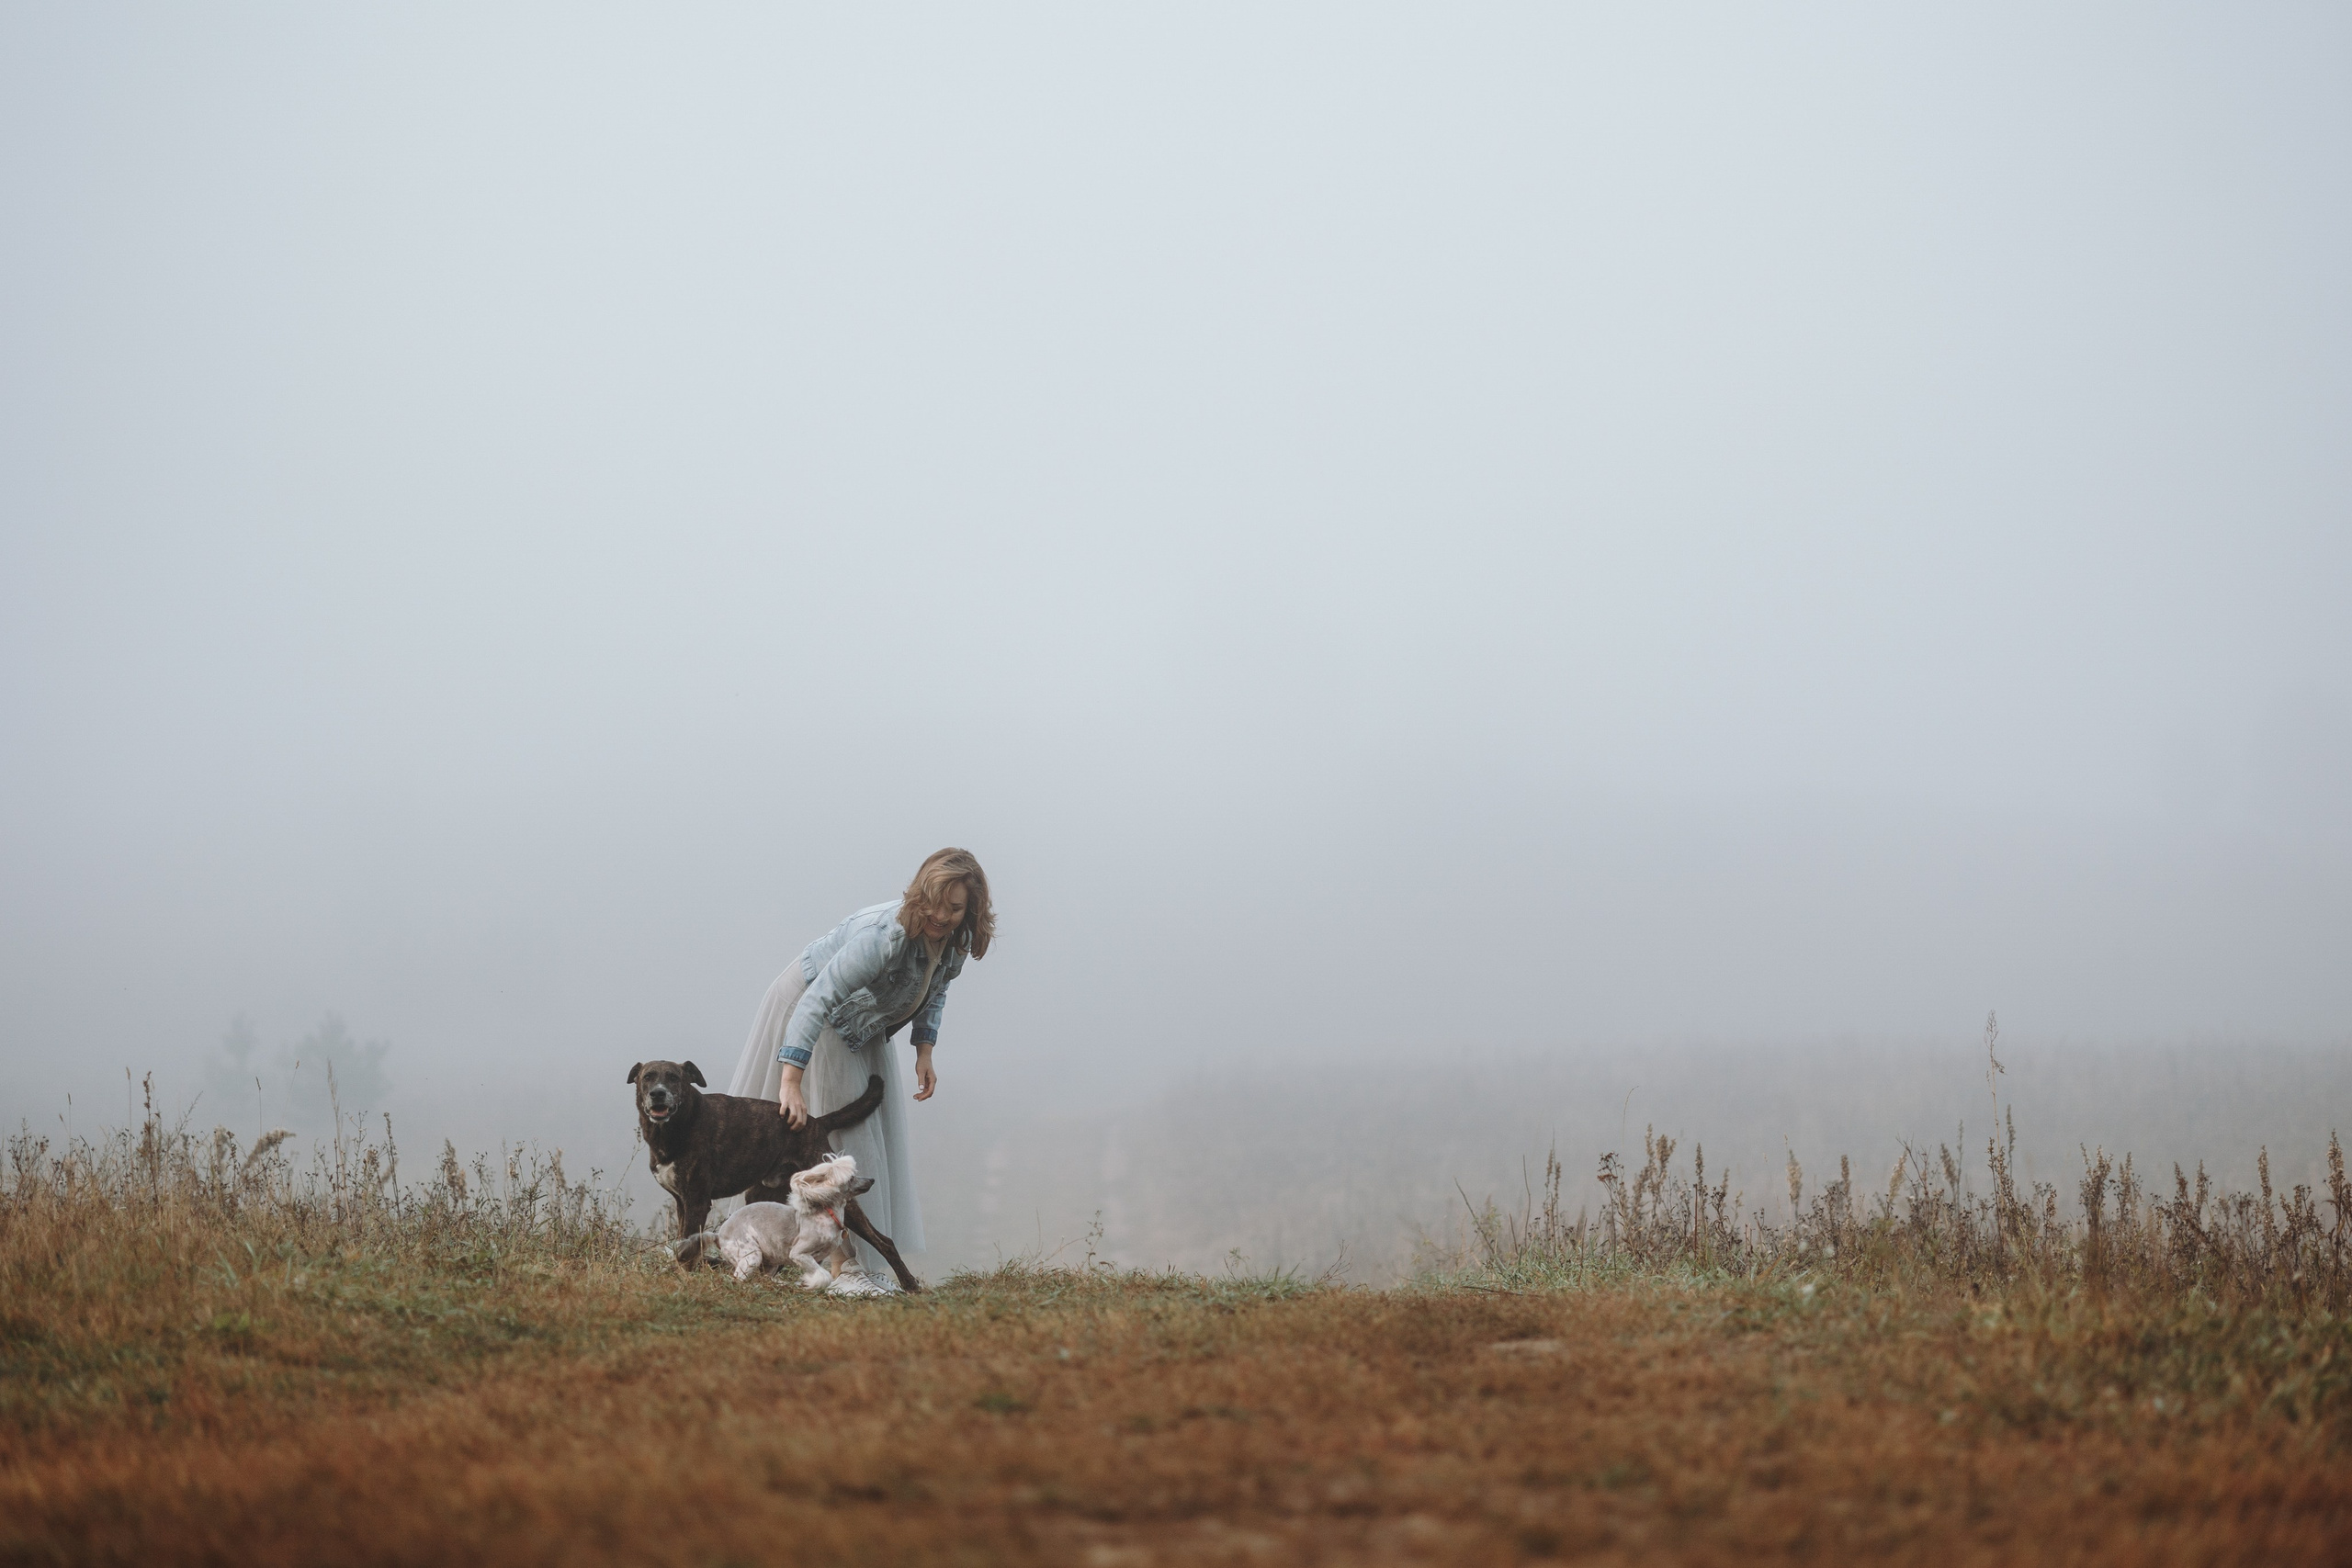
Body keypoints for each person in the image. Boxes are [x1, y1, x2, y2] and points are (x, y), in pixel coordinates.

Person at [724, 848, 993, 1282]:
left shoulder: (954, 943)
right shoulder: (883, 937)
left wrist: (924, 1048)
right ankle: (834, 1262)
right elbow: (818, 999)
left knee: (862, 1128)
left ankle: (845, 1261)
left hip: (863, 1016)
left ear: (971, 910)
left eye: (955, 908)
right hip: (811, 1006)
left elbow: (935, 989)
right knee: (838, 1136)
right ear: (918, 893)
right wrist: (791, 1078)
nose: (941, 916)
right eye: (933, 903)